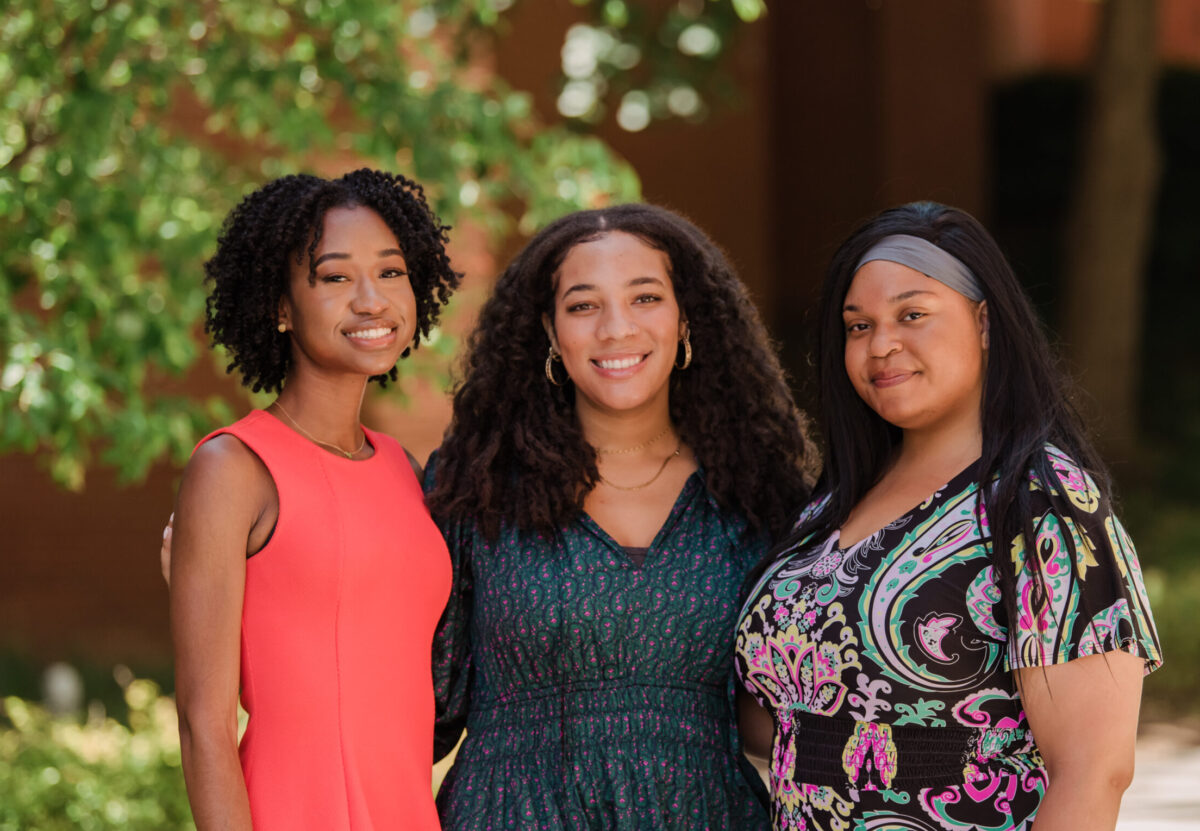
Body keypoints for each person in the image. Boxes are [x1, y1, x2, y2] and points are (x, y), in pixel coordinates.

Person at [735, 201, 1162, 830]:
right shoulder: (832, 504)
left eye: (912, 315)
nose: (882, 344)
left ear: (985, 322)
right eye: (858, 326)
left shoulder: (1040, 500)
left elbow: (1094, 771)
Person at [424, 203, 818, 829]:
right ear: (550, 332)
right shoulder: (474, 490)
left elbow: (805, 715)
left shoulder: (759, 500)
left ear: (686, 318)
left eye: (645, 298)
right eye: (583, 306)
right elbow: (417, 714)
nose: (616, 328)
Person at [169, 169, 461, 830]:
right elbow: (201, 721)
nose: (371, 300)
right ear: (280, 305)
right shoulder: (232, 468)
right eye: (335, 278)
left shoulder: (401, 467)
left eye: (391, 273)